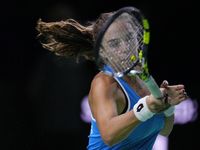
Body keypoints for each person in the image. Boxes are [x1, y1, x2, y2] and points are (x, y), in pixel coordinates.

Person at [36, 11, 188, 150]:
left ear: (137, 37)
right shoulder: (104, 83)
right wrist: (146, 106)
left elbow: (164, 131)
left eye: (129, 39)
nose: (125, 48)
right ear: (102, 51)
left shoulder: (141, 76)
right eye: (115, 44)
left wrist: (168, 108)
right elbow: (109, 136)